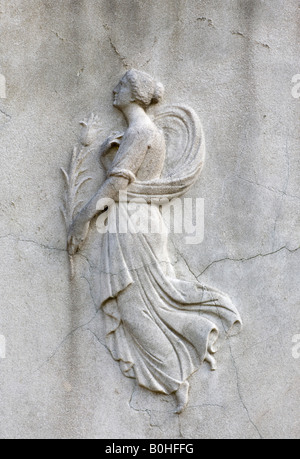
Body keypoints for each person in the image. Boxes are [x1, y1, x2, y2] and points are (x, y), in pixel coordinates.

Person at [68, 69, 242, 414]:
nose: (114, 89)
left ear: (133, 93)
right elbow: (127, 179)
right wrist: (105, 156)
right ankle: (194, 342)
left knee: (140, 306)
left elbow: (118, 186)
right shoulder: (141, 133)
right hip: (135, 220)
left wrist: (81, 220)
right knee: (151, 301)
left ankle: (179, 375)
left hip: (133, 224)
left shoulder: (141, 132)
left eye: (120, 85)